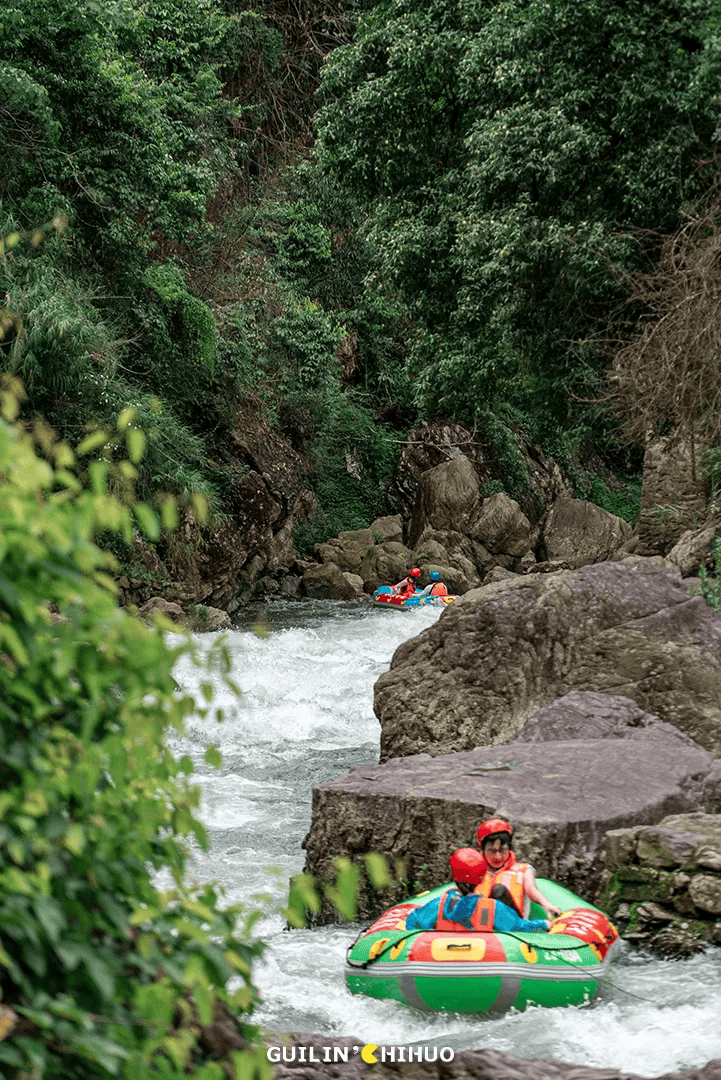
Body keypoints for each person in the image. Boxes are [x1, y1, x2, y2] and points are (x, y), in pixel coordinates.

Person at [405, 848, 551, 933]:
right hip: (485, 962)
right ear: (481, 879)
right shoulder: (494, 908)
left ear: (454, 876)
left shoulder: (438, 905)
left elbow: (411, 923)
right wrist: (544, 924)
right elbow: (520, 927)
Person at [474, 818, 561, 921]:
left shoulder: (524, 869)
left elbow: (531, 890)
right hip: (480, 922)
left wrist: (546, 904)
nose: (497, 857)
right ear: (482, 850)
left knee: (499, 890)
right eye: (492, 851)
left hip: (513, 923)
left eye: (502, 850)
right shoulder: (474, 868)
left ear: (510, 848)